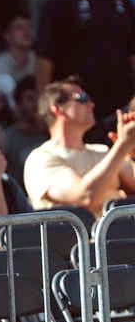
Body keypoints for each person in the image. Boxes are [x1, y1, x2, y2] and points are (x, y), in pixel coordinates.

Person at [36, 0, 135, 127]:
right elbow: (44, 58)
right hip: (77, 114)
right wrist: (45, 110)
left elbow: (132, 50)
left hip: (121, 111)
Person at [24, 77, 135, 217]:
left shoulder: (102, 151)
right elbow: (84, 197)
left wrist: (132, 154)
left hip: (121, 235)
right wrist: (122, 147)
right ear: (57, 108)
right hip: (79, 238)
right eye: (82, 98)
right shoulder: (41, 158)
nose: (92, 104)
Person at [2, 76, 48, 187]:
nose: (36, 104)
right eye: (30, 99)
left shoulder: (53, 134)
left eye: (40, 99)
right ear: (18, 104)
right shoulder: (8, 138)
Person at [0, 16, 35, 84]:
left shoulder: (39, 60)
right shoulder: (0, 62)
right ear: (6, 35)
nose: (27, 30)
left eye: (30, 26)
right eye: (19, 27)